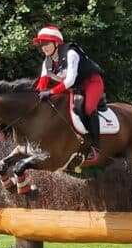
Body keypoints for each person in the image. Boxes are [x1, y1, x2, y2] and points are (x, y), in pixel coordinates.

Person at [33, 25, 106, 156]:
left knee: (88, 108)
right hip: (74, 87)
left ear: (56, 43)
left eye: (46, 43)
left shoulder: (71, 53)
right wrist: (37, 96)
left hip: (91, 83)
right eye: (41, 44)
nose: (43, 47)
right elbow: (42, 83)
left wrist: (50, 92)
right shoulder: (47, 61)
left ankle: (95, 145)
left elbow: (70, 80)